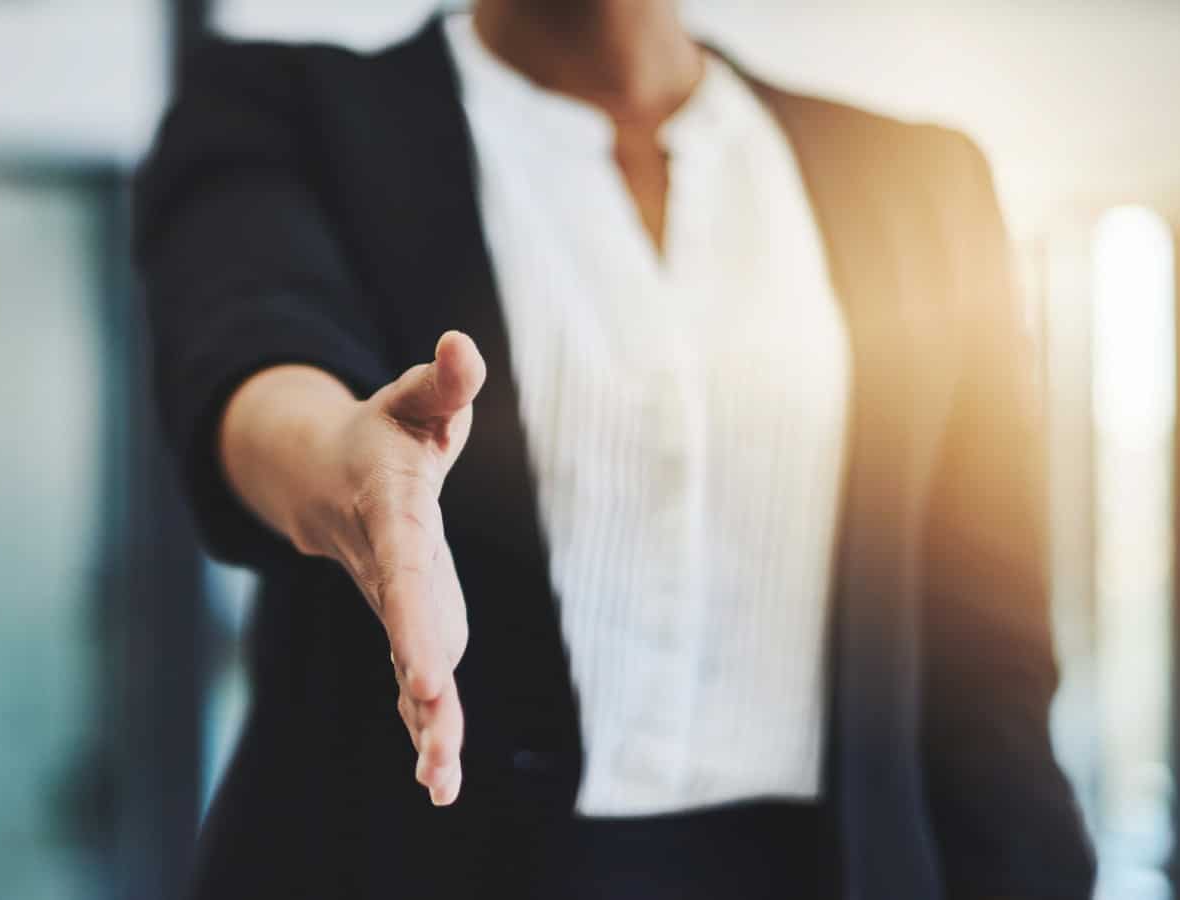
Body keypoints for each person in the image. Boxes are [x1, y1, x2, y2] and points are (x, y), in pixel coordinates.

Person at [131, 1, 1095, 897]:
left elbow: (989, 662)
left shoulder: (922, 183)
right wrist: (345, 465)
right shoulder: (285, 112)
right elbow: (254, 344)